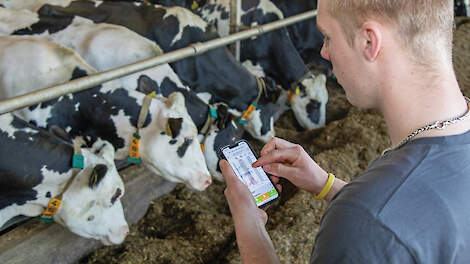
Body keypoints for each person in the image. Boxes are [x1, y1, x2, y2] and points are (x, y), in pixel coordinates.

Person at [219, 0, 470, 263]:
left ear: (369, 42)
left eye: (327, 36)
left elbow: (381, 225)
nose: (324, 52)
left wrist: (251, 227)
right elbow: (419, 219)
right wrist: (327, 185)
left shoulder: (363, 227)